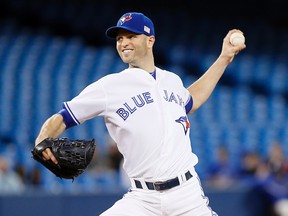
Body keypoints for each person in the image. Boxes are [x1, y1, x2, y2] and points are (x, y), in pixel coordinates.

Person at [35, 12, 246, 216]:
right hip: (142, 198)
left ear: (150, 40)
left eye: (131, 36)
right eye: (119, 38)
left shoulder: (171, 80)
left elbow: (193, 99)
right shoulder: (110, 86)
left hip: (186, 195)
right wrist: (42, 138)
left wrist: (224, 58)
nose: (123, 42)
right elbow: (63, 117)